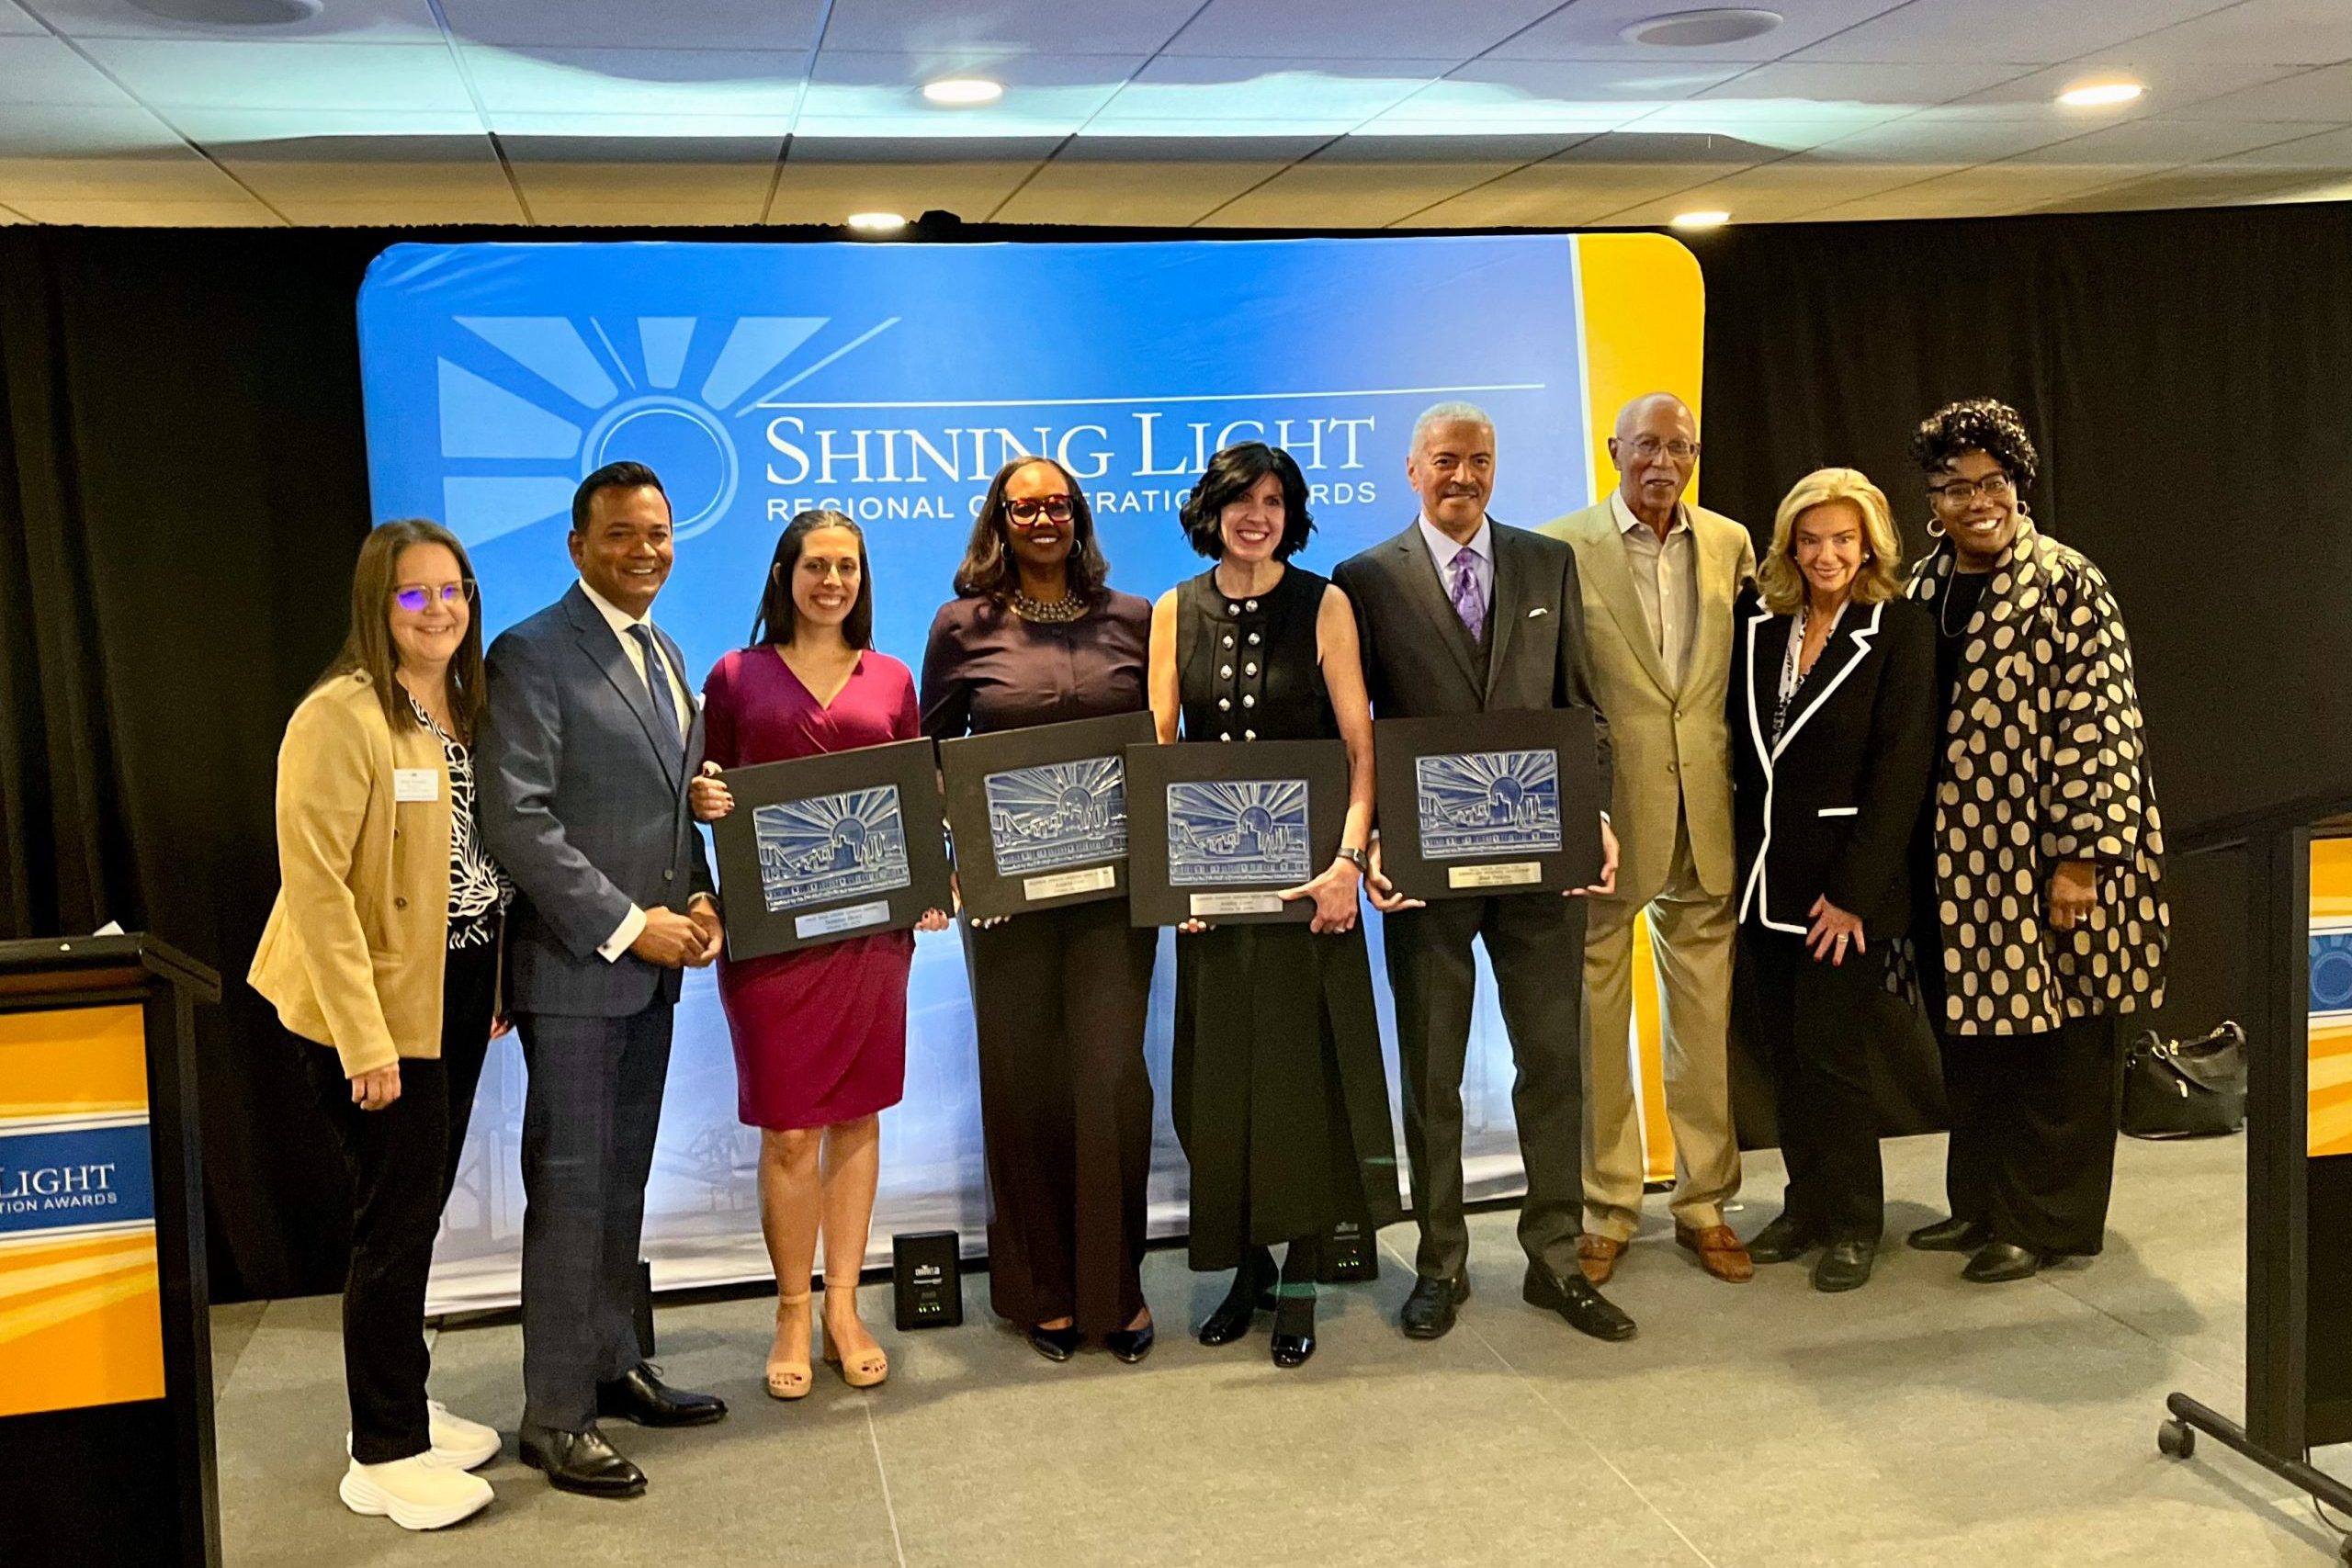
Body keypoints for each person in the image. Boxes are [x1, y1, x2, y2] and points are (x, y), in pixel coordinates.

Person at [1331, 402, 1632, 1345]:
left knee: (1553, 1067)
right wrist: (1370, 838)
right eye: (1446, 462)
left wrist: (1596, 813)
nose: (1464, 476)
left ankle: (1552, 1259)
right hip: (1422, 873)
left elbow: (1579, 707)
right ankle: (1440, 1263)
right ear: (1411, 470)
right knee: (1432, 1074)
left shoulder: (1549, 563)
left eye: (1480, 461)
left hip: (1544, 866)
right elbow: (1360, 731)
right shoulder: (1364, 579)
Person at [250, 519, 508, 1530]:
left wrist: (481, 995)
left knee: (419, 1208)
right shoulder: (340, 715)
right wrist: (366, 1043)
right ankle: (384, 1450)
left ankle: (403, 1402)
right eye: (414, 595)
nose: (438, 608)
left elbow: (471, 860)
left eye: (453, 590)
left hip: (452, 984)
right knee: (392, 1224)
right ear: (378, 605)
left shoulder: (461, 701)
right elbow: (316, 891)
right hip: (368, 1004)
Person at [477, 461, 728, 1501]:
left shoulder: (666, 650)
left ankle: (612, 1363)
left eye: (659, 532)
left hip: (651, 965)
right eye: (623, 534)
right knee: (572, 1189)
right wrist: (634, 927)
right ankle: (554, 1416)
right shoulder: (531, 653)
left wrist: (704, 898)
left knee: (619, 1178)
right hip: (581, 968)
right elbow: (519, 819)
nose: (646, 549)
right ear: (578, 545)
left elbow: (670, 805)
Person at [1899, 399, 2168, 1283]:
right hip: (1956, 869)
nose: (1977, 500)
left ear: (2018, 484)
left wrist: (2081, 857)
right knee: (1978, 1043)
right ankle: (1980, 1204)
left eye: (1992, 481)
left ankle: (2044, 1221)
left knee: (2060, 1044)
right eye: (1954, 486)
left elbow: (2102, 724)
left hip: (2046, 861)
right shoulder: (1925, 584)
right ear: (1931, 499)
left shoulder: (2066, 582)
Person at [1148, 441, 1403, 1369]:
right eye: (1238, 500)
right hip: (1214, 903)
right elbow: (1164, 758)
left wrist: (1346, 862)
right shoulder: (1174, 610)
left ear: (1291, 513)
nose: (1254, 515)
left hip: (1312, 899)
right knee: (1218, 1092)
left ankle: (1296, 1280)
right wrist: (1175, 883)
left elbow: (1360, 752)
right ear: (1210, 509)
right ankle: (1244, 1270)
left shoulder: (1325, 602)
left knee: (1300, 1090)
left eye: (1271, 500)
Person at [690, 509, 950, 1398]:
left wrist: (933, 882)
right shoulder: (734, 675)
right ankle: (791, 1312)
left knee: (857, 1116)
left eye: (846, 566)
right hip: (771, 939)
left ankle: (845, 1305)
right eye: (815, 565)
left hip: (870, 935)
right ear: (784, 574)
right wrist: (702, 800)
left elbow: (918, 792)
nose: (831, 581)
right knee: (791, 1130)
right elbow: (701, 786)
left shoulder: (891, 677)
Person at [919, 459, 1159, 1365]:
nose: (1044, 519)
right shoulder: (961, 627)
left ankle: (1117, 1291)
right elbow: (930, 753)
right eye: (1025, 507)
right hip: (1007, 900)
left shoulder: (1135, 619)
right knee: (1021, 1080)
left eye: (1058, 504)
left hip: (1114, 896)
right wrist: (956, 852)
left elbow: (1161, 743)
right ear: (1000, 520)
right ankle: (1041, 1291)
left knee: (1107, 1079)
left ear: (1079, 517)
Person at [1542, 393, 1757, 1287]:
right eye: (1644, 445)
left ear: (1696, 454)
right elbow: (1554, 693)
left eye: (1677, 446)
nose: (1661, 461)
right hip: (1606, 822)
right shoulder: (1556, 550)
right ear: (1611, 450)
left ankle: (1707, 1205)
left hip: (1707, 817)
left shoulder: (1734, 543)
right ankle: (1606, 1209)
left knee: (1702, 1030)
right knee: (1597, 1025)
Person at [1727, 469, 1935, 1292]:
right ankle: (1806, 1202)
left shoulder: (1899, 627)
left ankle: (1854, 1219)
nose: (1826, 554)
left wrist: (1853, 894)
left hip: (1842, 894)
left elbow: (1900, 771)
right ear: (1789, 544)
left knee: (1838, 1058)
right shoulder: (1762, 624)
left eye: (1843, 539)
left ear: (1870, 544)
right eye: (1811, 538)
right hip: (1764, 884)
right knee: (1785, 1054)